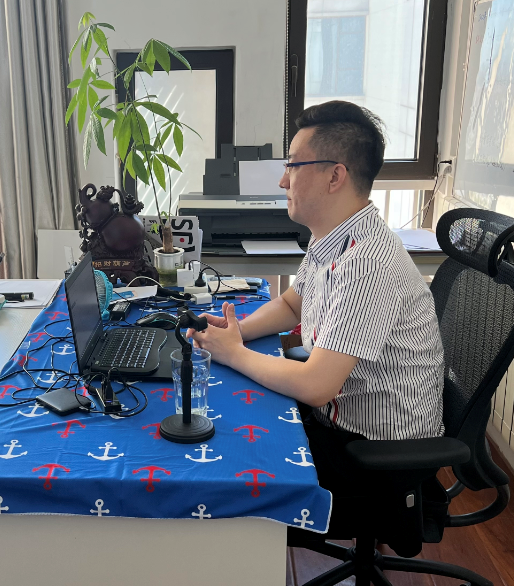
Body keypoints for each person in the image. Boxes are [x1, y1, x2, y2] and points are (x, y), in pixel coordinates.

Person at [187, 101, 444, 493]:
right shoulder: (333, 237)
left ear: (335, 176)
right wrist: (237, 332)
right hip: (338, 416)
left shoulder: (366, 263)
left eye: (292, 165)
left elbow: (315, 385)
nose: (283, 181)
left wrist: (233, 353)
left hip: (371, 450)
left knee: (228, 460)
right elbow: (293, 304)